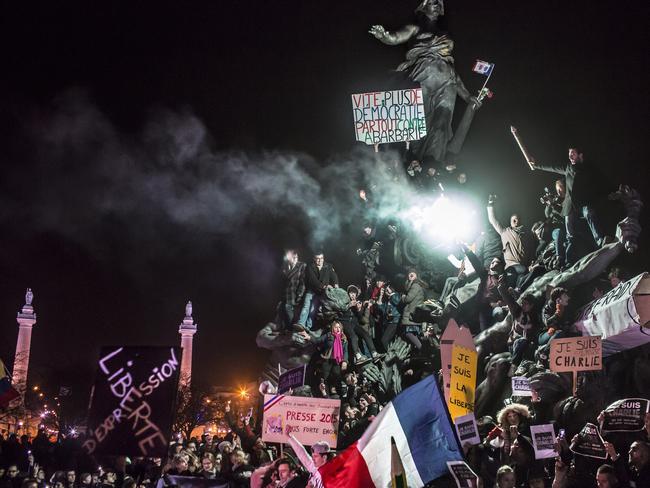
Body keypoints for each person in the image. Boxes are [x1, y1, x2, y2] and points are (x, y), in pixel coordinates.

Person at [369, 0, 481, 164]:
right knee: (418, 123)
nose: (436, 4)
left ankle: (432, 165)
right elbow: (395, 37)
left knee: (442, 123)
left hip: (448, 81)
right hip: (423, 76)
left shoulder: (445, 33)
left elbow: (451, 68)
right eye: (432, 2)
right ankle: (413, 164)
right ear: (424, 6)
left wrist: (466, 96)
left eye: (438, 2)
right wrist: (384, 35)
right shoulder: (414, 28)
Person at [530, 148, 606, 266]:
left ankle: (600, 240)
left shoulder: (587, 169)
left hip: (582, 204)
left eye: (573, 154)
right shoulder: (567, 168)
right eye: (569, 154)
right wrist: (537, 165)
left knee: (589, 213)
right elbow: (552, 167)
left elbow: (598, 181)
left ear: (580, 156)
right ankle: (568, 260)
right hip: (569, 207)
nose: (570, 156)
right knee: (570, 234)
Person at [487, 194, 535, 288]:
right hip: (511, 267)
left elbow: (532, 252)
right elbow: (493, 220)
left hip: (524, 267)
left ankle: (516, 292)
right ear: (510, 223)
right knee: (512, 281)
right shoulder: (505, 232)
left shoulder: (528, 235)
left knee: (521, 281)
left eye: (518, 220)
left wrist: (531, 264)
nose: (516, 222)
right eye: (514, 220)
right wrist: (490, 204)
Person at [296, 252, 339, 332]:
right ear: (314, 259)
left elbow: (334, 275)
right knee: (306, 306)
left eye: (321, 258)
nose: (319, 260)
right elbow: (313, 280)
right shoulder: (310, 267)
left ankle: (308, 327)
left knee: (313, 309)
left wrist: (336, 284)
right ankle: (301, 324)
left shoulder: (328, 266)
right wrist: (324, 286)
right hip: (312, 290)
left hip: (322, 293)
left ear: (323, 258)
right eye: (317, 259)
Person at [279, 249, 305, 330]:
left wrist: (299, 295)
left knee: (288, 307)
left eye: (295, 257)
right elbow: (283, 282)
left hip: (295, 294)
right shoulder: (286, 267)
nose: (287, 258)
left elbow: (302, 283)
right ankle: (286, 329)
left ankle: (291, 329)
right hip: (286, 295)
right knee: (281, 309)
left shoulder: (302, 266)